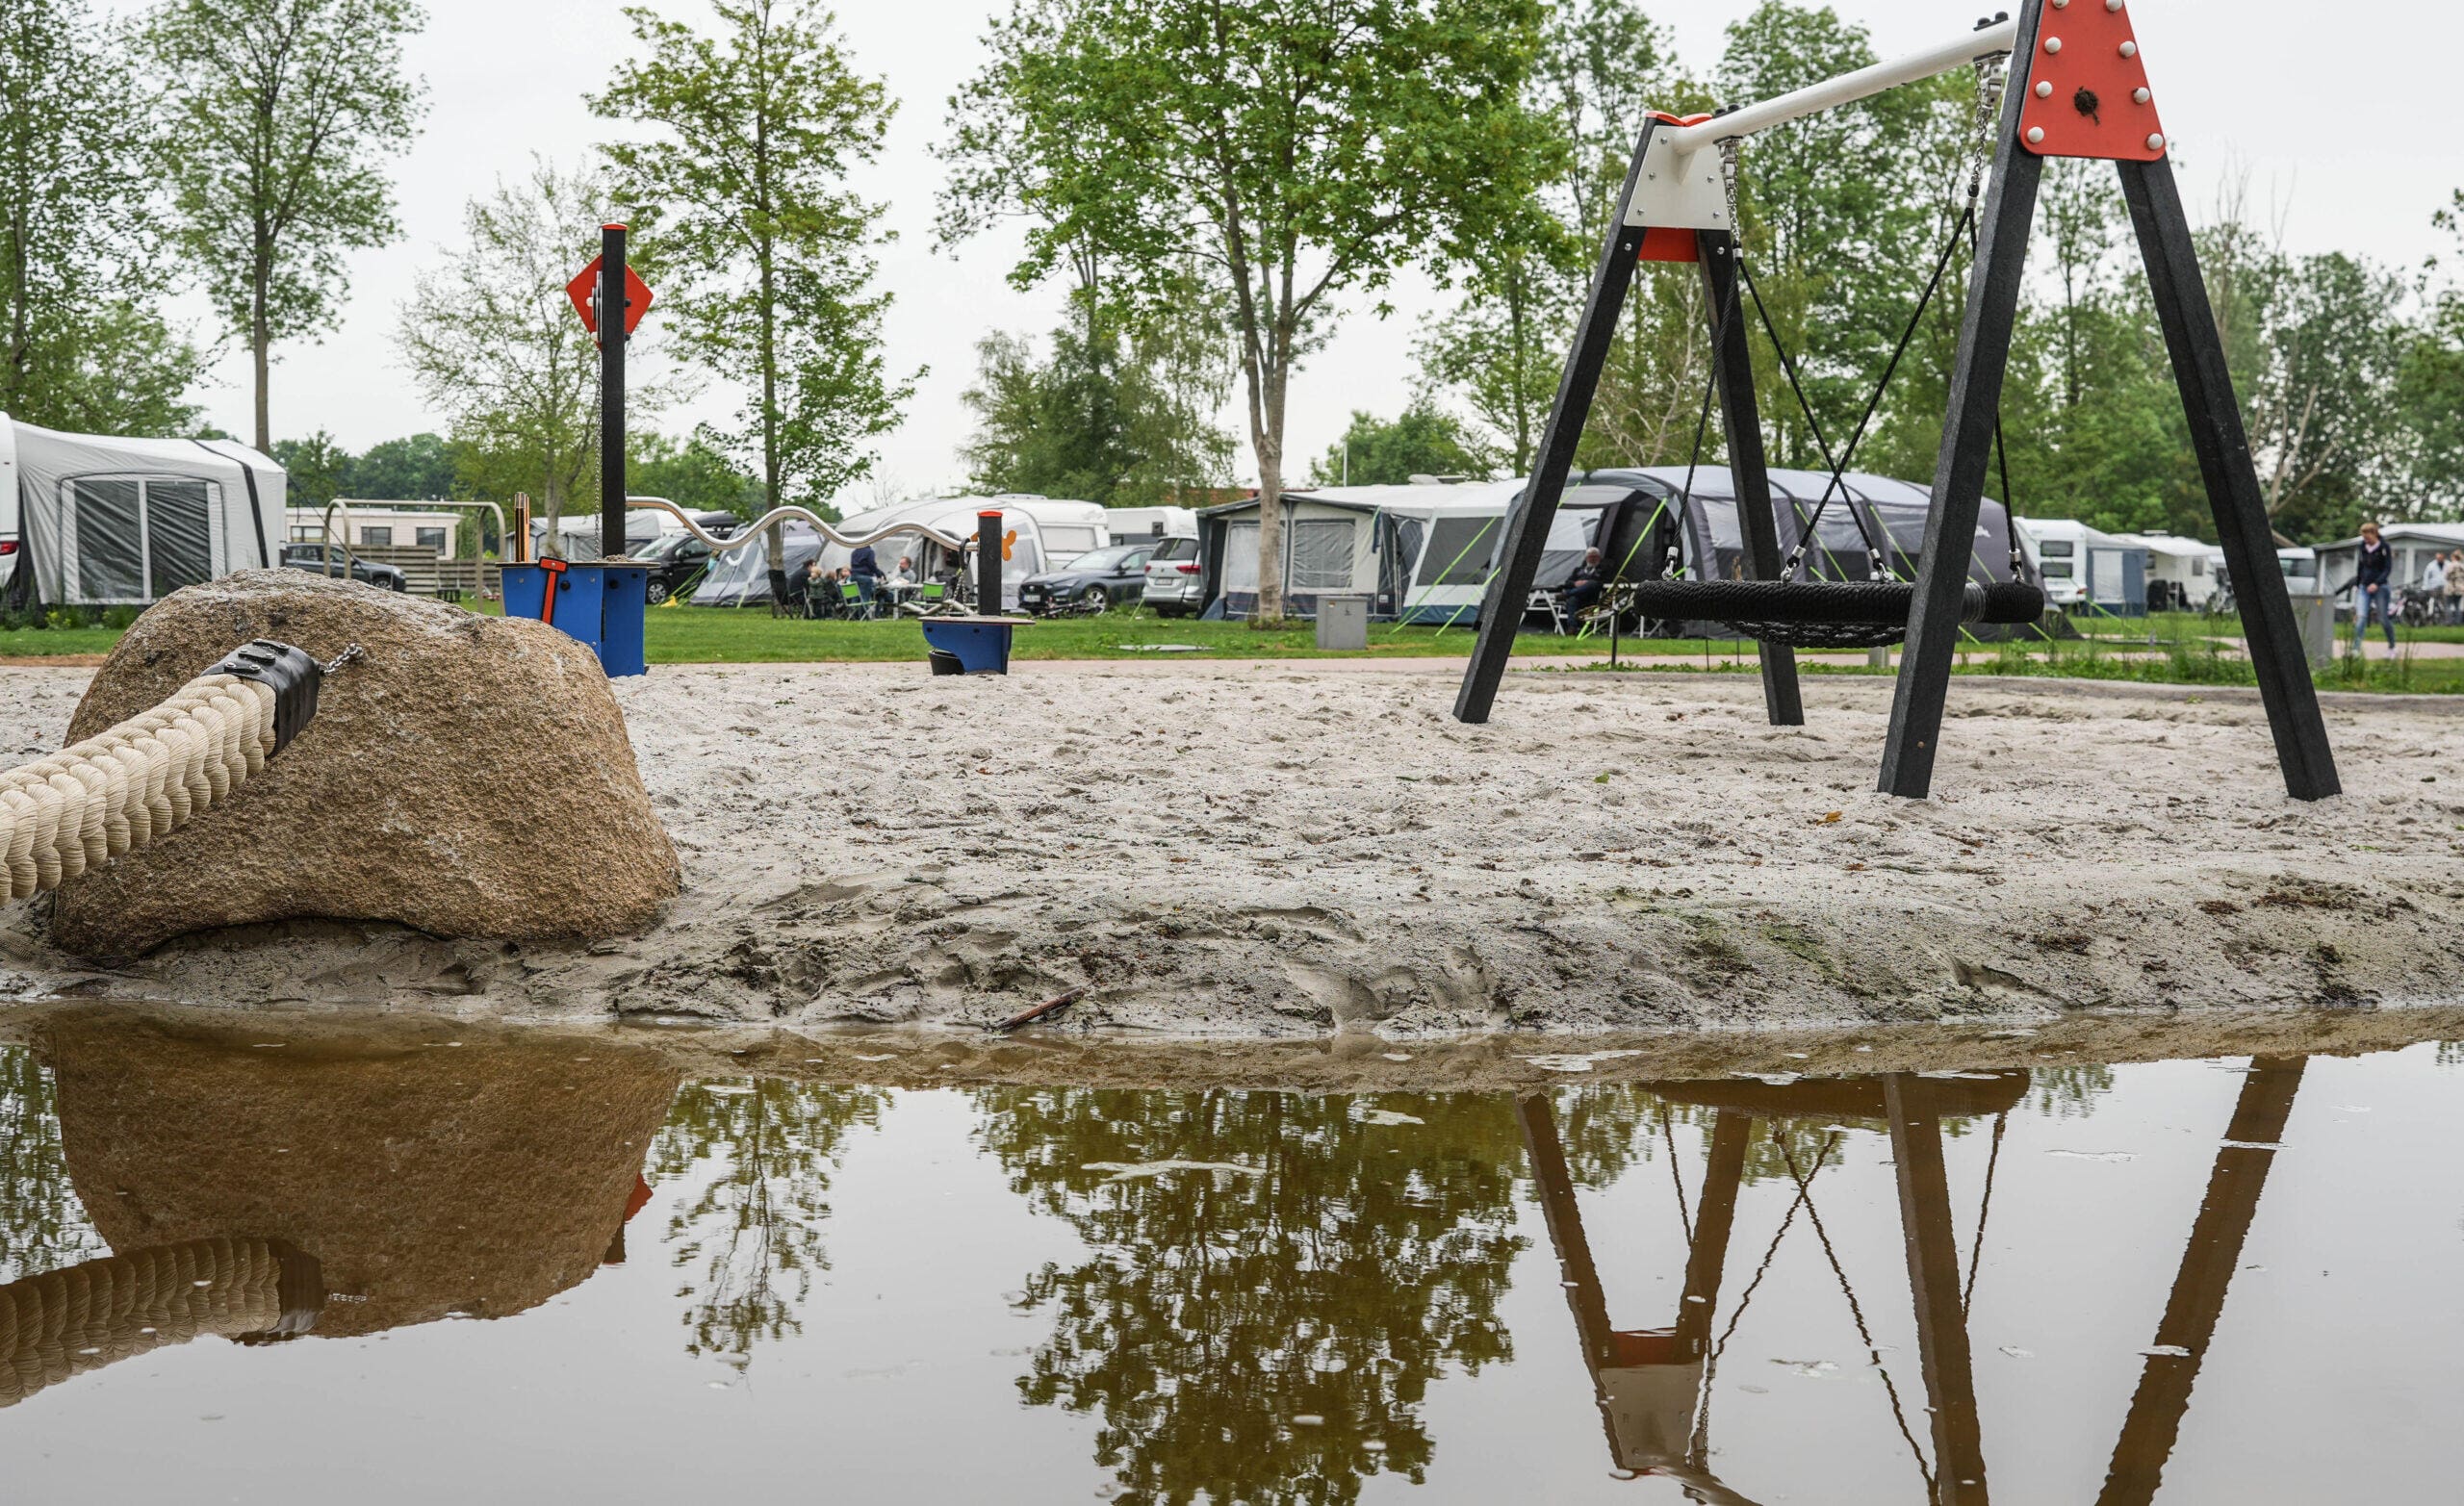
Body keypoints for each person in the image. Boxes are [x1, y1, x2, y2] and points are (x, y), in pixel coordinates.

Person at [2351, 521, 2395, 655]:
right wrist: (2358, 584)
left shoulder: (2384, 547)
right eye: (2364, 537)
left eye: (2368, 537)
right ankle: (2355, 649)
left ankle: (2392, 647)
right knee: (2361, 618)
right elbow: (2360, 567)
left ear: (2374, 533)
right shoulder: (2362, 546)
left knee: (2383, 619)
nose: (2366, 540)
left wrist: (2376, 583)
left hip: (2381, 587)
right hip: (2364, 587)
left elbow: (2387, 569)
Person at [1562, 548, 1608, 616]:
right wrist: (1575, 583)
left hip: (1593, 595)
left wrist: (1587, 583)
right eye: (1590, 557)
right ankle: (1572, 623)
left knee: (1592, 583)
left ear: (1599, 558)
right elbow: (1567, 582)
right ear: (1586, 558)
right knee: (1572, 600)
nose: (1593, 559)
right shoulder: (1578, 570)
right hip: (1579, 596)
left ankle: (1567, 594)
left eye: (1595, 557)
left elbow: (1605, 582)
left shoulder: (1604, 570)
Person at [2446, 549, 2464, 625]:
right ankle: (2458, 622)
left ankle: (2449, 622)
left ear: (2454, 557)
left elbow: (2446, 576)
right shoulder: (2462, 566)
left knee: (2448, 605)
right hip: (2460, 588)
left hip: (2451, 588)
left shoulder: (2451, 565)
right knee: (2457, 606)